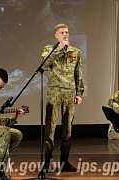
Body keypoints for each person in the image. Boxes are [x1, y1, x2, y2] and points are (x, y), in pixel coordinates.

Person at [41, 23, 84, 172]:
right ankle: (48, 161)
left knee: (68, 129)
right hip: (54, 92)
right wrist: (59, 49)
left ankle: (65, 161)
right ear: (56, 35)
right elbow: (45, 64)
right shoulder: (49, 49)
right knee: (50, 128)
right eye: (62, 32)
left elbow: (78, 74)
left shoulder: (75, 52)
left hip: (69, 92)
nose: (65, 34)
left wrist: (79, 93)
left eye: (66, 32)